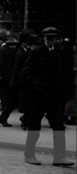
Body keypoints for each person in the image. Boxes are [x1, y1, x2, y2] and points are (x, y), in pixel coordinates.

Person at [20, 27, 74, 166]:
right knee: (34, 125)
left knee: (58, 126)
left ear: (56, 39)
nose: (50, 40)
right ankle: (29, 155)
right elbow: (26, 73)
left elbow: (63, 73)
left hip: (54, 96)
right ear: (43, 38)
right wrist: (37, 88)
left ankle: (59, 157)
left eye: (52, 38)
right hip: (39, 96)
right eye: (47, 38)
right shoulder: (37, 52)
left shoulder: (58, 53)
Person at [0, 31, 31, 127]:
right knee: (13, 102)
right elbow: (16, 68)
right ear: (24, 42)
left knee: (12, 102)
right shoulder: (20, 52)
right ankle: (24, 118)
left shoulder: (22, 51)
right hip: (19, 82)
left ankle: (3, 118)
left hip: (19, 81)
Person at [0, 32, 16, 111]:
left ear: (1, 41)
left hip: (3, 75)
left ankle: (4, 106)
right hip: (9, 74)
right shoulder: (10, 49)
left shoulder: (1, 50)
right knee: (7, 91)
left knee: (2, 91)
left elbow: (1, 64)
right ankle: (7, 106)